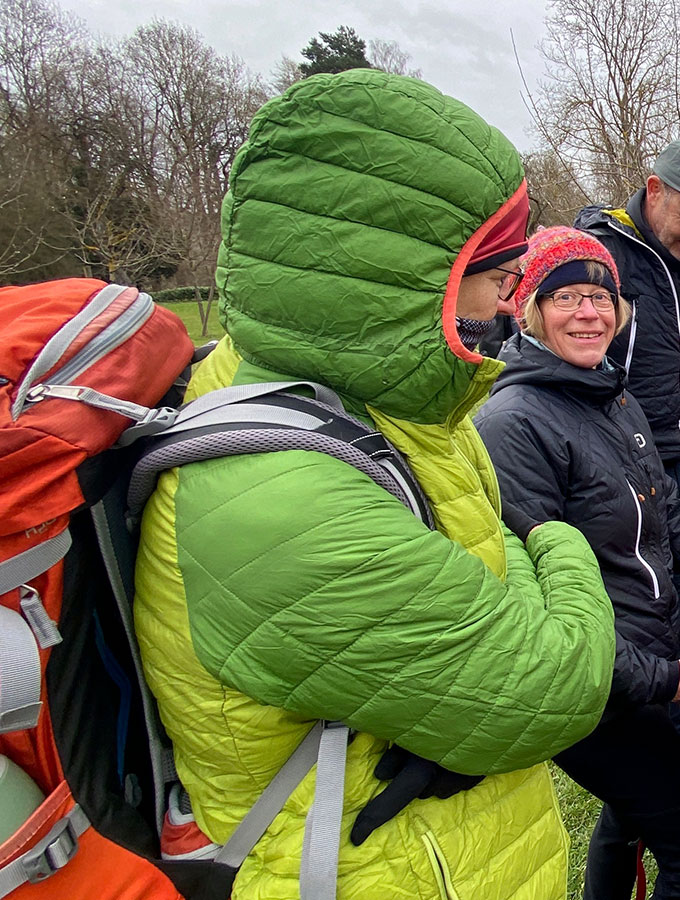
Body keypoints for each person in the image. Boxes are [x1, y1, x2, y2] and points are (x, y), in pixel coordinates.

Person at [131, 71, 617, 899]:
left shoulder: (368, 401)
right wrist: (559, 542)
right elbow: (556, 683)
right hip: (381, 871)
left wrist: (507, 573)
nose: (507, 306)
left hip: (454, 853)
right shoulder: (275, 494)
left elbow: (476, 534)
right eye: (498, 276)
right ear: (398, 274)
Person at [475, 226, 680, 900]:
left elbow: (669, 518)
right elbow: (540, 607)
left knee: (631, 813)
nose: (588, 313)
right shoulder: (512, 422)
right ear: (532, 308)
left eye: (601, 299)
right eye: (567, 297)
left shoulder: (613, 393)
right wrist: (659, 679)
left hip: (652, 651)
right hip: (596, 693)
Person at [575, 138, 680, 652]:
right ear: (655, 190)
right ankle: (653, 678)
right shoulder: (603, 250)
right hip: (624, 455)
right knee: (639, 586)